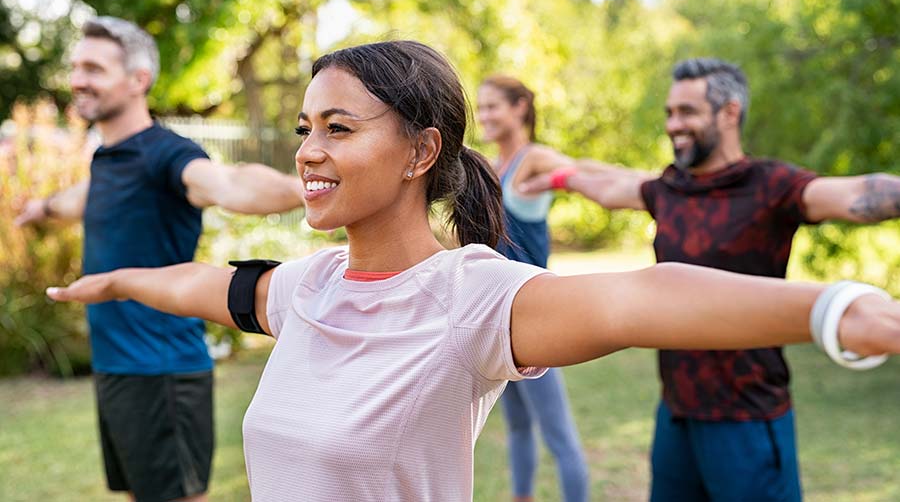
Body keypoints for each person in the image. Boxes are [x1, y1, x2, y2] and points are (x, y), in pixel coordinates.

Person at [44, 42, 900, 502]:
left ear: (421, 151)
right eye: (306, 128)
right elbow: (200, 284)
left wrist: (836, 309)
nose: (308, 151)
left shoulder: (471, 298)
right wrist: (117, 283)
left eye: (339, 129)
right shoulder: (307, 290)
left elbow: (645, 295)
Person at [519, 57, 900, 501]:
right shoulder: (668, 188)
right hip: (677, 416)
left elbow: (855, 194)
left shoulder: (770, 185)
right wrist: (559, 178)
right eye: (669, 113)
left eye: (687, 112)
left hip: (747, 419)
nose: (673, 124)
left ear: (730, 112)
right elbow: (610, 187)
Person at [15, 16, 304, 502]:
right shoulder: (109, 159)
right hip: (118, 369)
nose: (78, 79)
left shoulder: (167, 155)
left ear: (138, 80)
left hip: (162, 372)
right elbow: (81, 200)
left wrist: (306, 189)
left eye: (94, 68)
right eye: (76, 66)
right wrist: (39, 209)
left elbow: (226, 184)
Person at [477, 75, 588, 502]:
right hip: (498, 318)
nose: (484, 116)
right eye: (481, 108)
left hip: (537, 317)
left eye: (493, 107)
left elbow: (580, 172)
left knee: (558, 435)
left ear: (520, 107)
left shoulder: (535, 158)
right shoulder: (492, 167)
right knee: (519, 428)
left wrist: (556, 181)